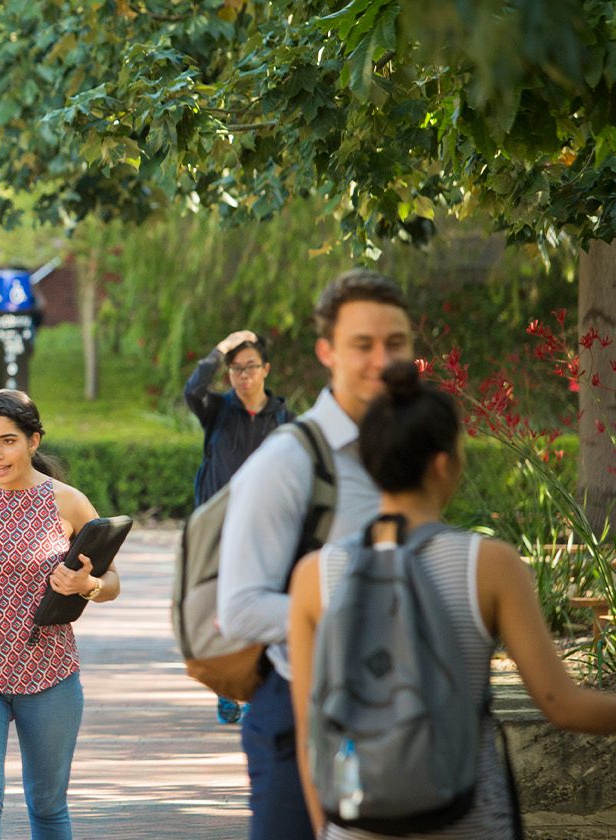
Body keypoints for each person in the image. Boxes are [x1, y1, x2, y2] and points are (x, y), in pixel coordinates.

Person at [289, 360, 616, 838]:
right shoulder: (491, 565)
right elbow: (560, 704)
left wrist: (328, 831)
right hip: (469, 819)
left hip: (354, 823)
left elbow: (308, 727)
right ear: (444, 464)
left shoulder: (314, 575)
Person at [217, 269, 413, 840]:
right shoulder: (291, 461)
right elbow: (240, 608)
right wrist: (359, 613)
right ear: (327, 352)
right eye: (362, 345)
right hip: (296, 717)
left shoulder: (410, 450)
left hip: (393, 713)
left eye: (395, 344)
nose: (382, 359)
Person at [0, 388, 120, 839]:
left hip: (49, 674)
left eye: (8, 440)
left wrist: (87, 585)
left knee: (49, 805)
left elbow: (113, 582)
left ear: (34, 440)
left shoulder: (67, 502)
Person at [184, 329, 292, 724]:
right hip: (219, 528)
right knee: (221, 611)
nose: (243, 376)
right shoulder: (217, 410)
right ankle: (227, 690)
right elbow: (193, 389)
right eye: (235, 369)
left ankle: (253, 690)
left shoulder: (284, 419)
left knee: (258, 607)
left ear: (265, 370)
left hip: (266, 530)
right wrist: (221, 348)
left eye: (250, 367)